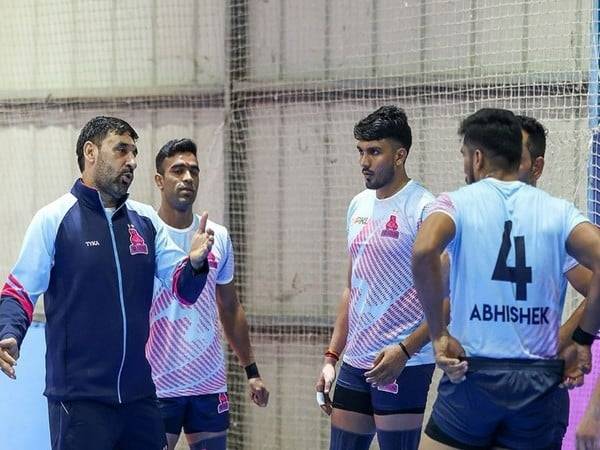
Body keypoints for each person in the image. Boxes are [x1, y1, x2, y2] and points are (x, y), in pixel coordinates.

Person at [0, 117, 213, 450]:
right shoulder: (54, 219)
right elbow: (20, 290)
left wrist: (196, 264)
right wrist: (8, 333)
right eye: (121, 150)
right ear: (91, 152)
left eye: (134, 153)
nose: (132, 161)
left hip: (140, 399)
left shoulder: (145, 221)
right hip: (78, 402)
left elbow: (183, 289)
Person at [413, 108, 600, 449]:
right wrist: (583, 337)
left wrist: (439, 334)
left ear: (478, 158)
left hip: (477, 376)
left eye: (464, 157)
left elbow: (424, 250)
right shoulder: (559, 211)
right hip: (539, 383)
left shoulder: (457, 204)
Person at [315, 105, 441, 450]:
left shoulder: (425, 210)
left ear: (400, 155)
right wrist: (331, 357)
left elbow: (447, 299)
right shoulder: (358, 205)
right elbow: (351, 288)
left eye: (374, 151)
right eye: (360, 151)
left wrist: (404, 350)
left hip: (405, 363)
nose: (364, 161)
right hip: (356, 361)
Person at [146, 138, 269, 450]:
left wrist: (251, 371)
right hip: (156, 385)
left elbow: (229, 307)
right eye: (178, 170)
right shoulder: (143, 235)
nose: (188, 177)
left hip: (208, 384)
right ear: (160, 180)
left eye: (194, 171)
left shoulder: (219, 236)